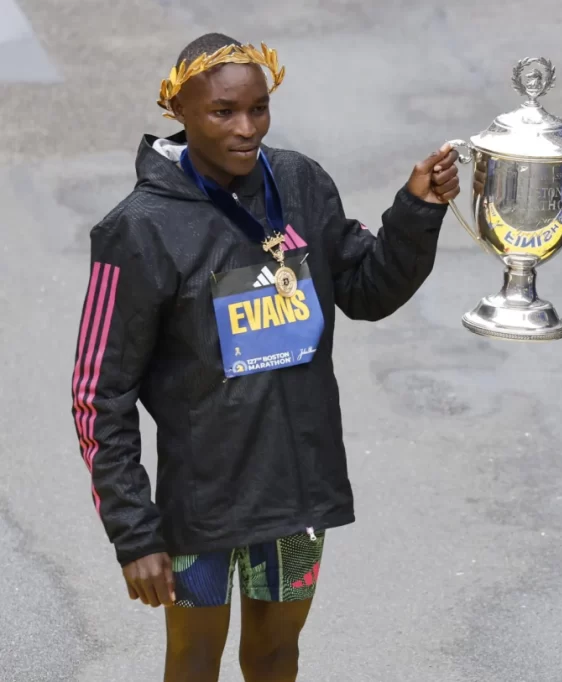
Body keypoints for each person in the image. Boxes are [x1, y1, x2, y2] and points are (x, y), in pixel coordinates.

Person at [70, 32, 459, 682]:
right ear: (180, 109)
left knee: (276, 657)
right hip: (202, 508)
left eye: (259, 108)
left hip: (296, 495)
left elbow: (364, 290)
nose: (246, 128)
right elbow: (97, 395)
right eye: (224, 111)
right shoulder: (138, 229)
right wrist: (134, 533)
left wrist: (417, 211)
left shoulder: (301, 184)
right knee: (193, 662)